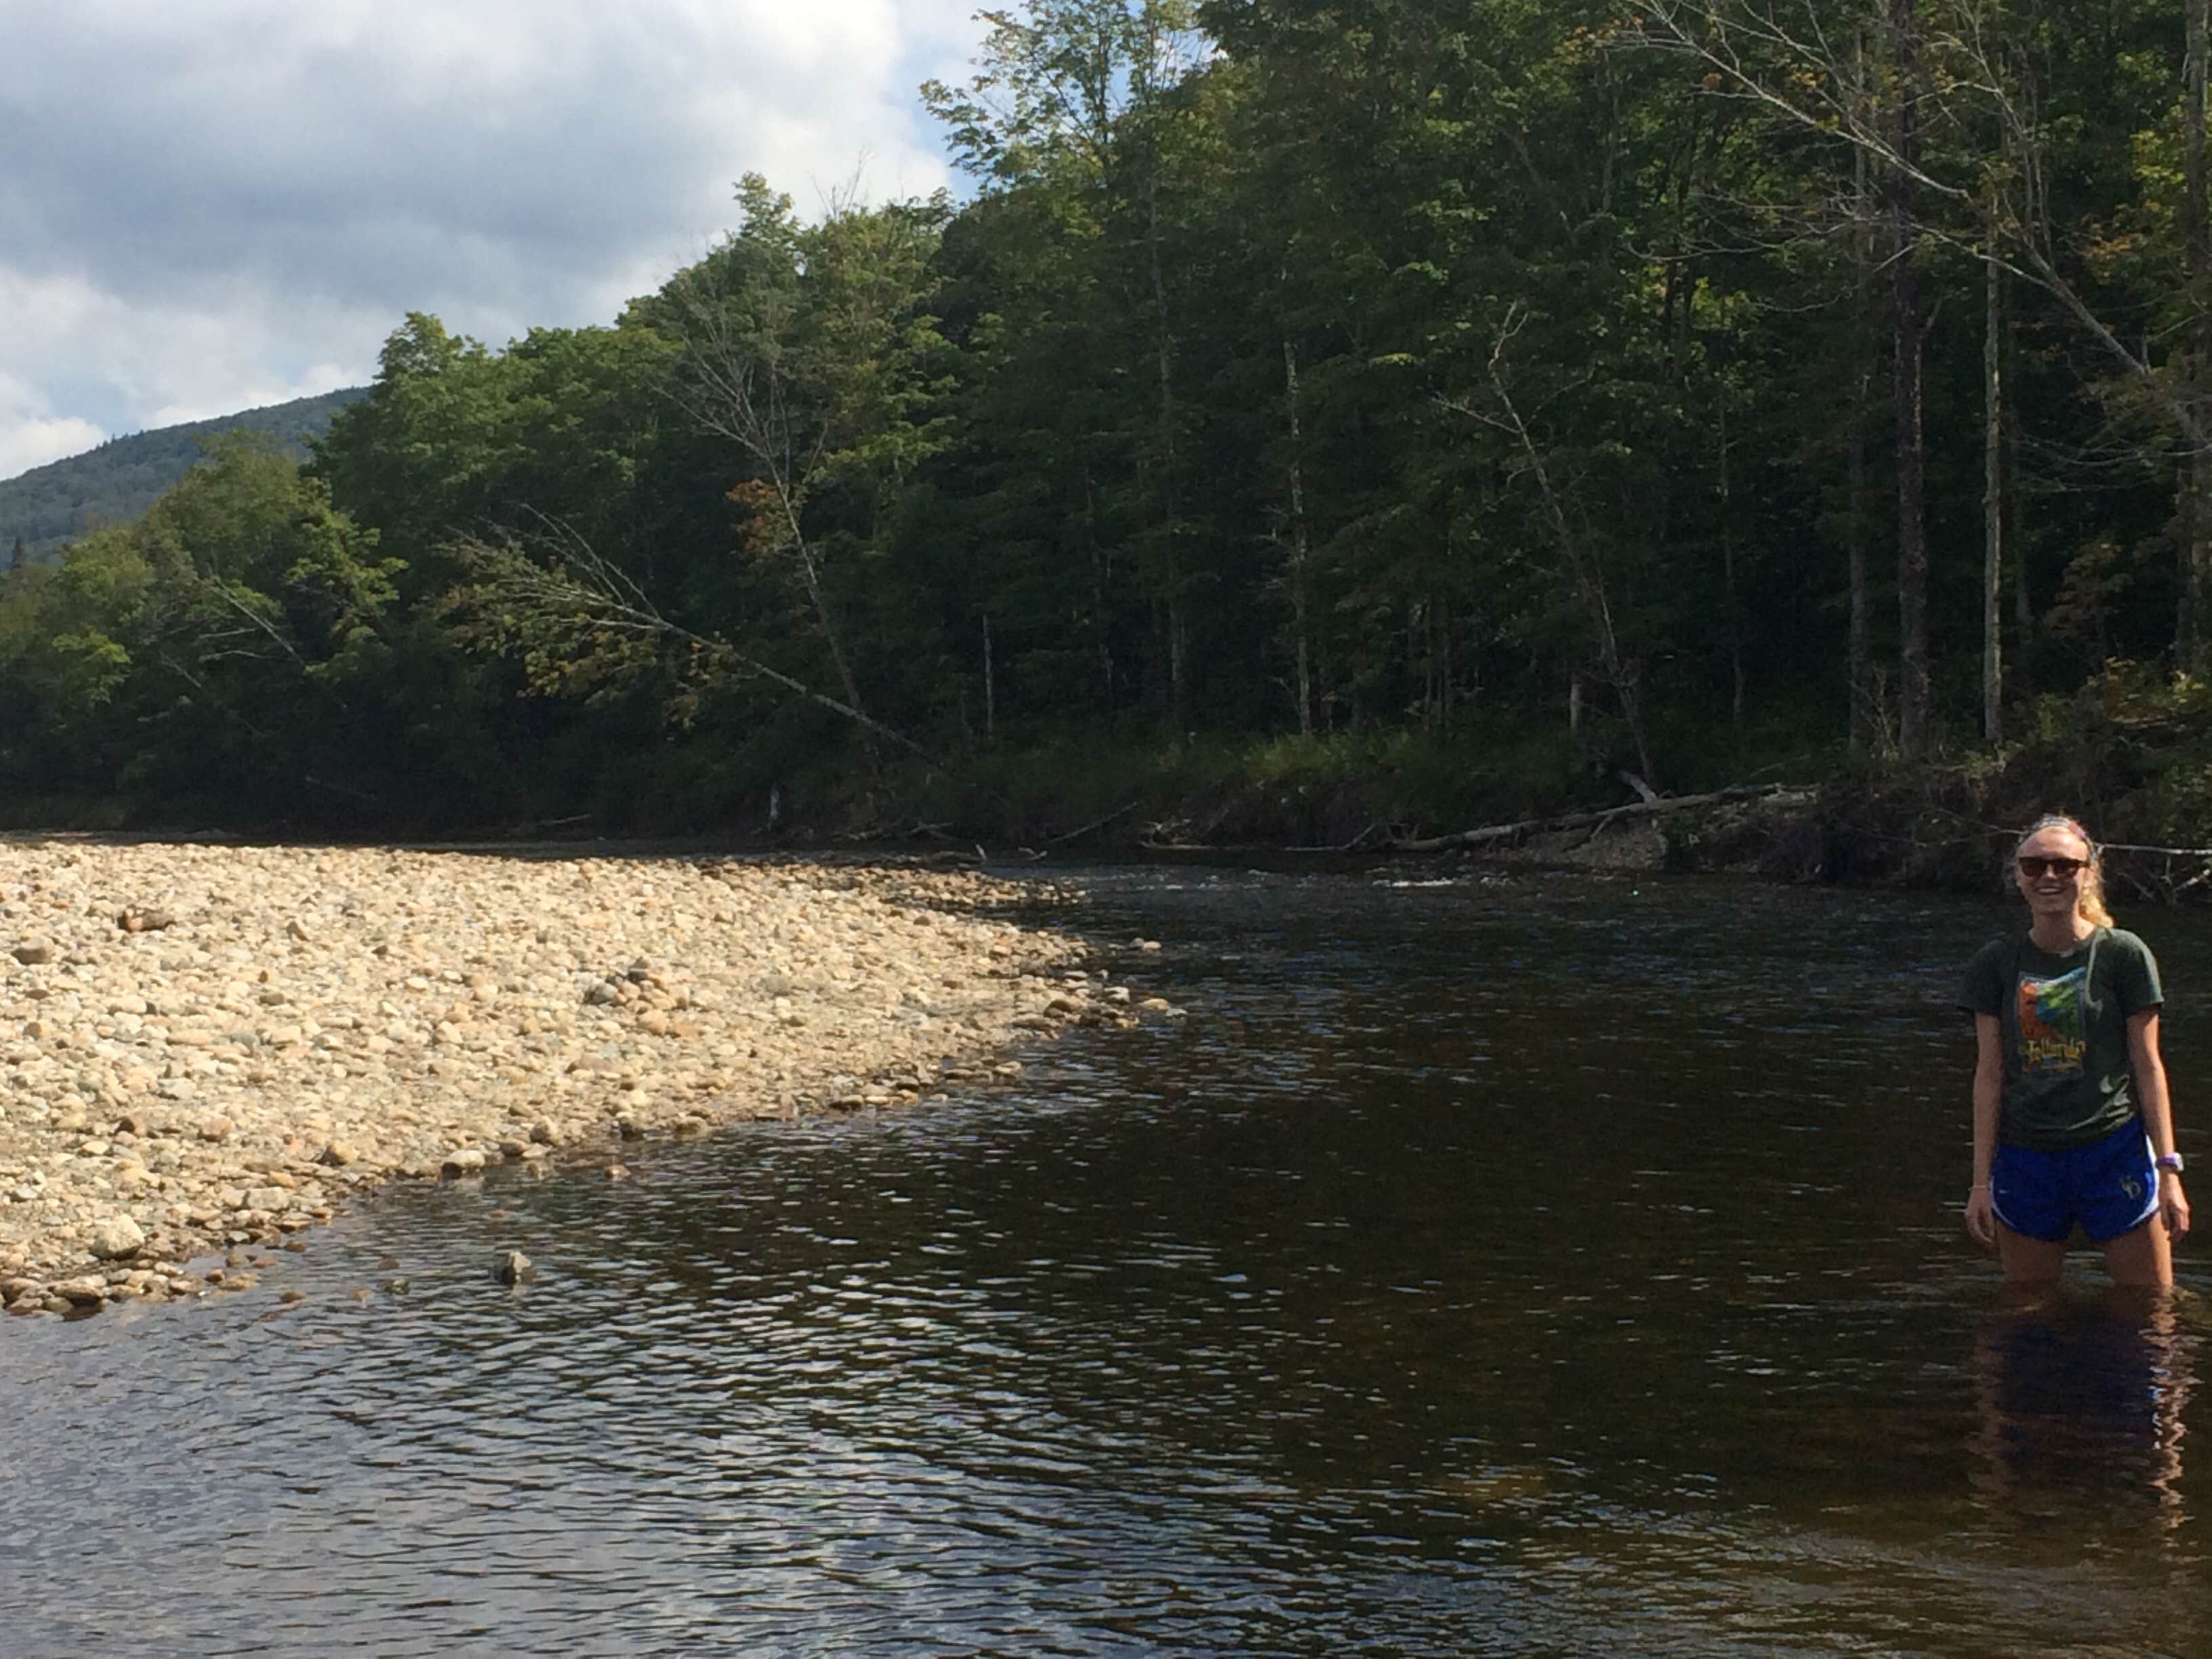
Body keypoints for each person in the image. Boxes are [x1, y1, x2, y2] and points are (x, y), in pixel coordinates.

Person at [1960, 815, 2191, 1287]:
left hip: (2112, 1149)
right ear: (2019, 877)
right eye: (2035, 865)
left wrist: (2169, 1169)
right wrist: (1980, 1183)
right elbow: (1989, 1075)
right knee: (2030, 1313)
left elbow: (2148, 1067)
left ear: (2088, 874)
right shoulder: (1995, 963)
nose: (2049, 876)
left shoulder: (2123, 955)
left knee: (2151, 1311)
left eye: (2064, 866)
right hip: (2027, 1155)